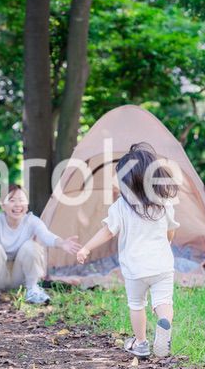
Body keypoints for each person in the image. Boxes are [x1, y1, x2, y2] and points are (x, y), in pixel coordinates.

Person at [76, 143, 179, 358]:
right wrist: (166, 246)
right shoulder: (163, 203)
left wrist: (86, 247)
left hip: (135, 268)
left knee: (136, 304)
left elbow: (107, 232)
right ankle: (164, 324)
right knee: (163, 301)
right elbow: (170, 232)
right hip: (162, 264)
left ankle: (141, 343)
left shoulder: (121, 207)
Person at [0, 184, 81, 307]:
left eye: (22, 200)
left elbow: (46, 235)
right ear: (3, 205)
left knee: (32, 246)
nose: (18, 205)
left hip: (21, 277)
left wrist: (62, 243)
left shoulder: (32, 221)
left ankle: (33, 289)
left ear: (27, 204)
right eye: (12, 200)